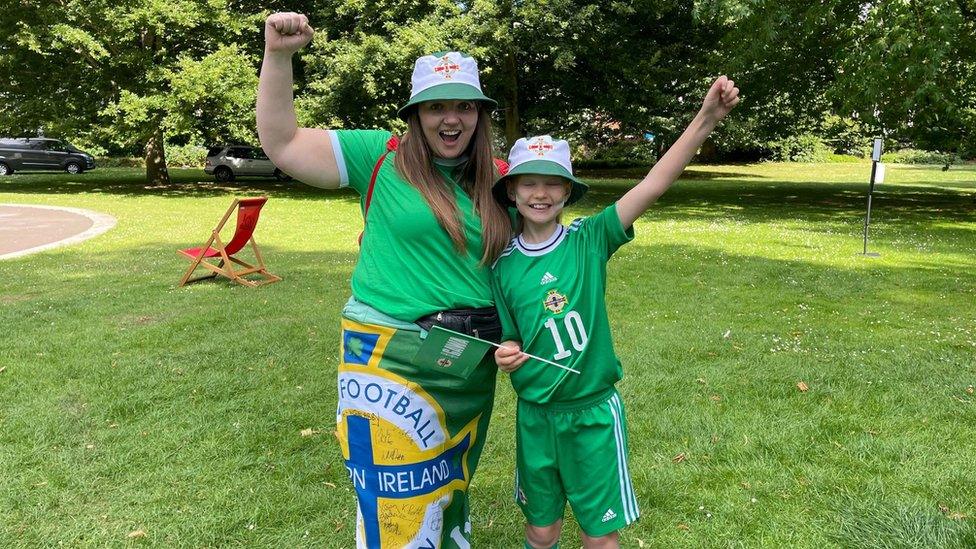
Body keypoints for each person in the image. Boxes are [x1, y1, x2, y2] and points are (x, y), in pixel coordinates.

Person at [256, 12, 512, 548]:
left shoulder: (503, 178)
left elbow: (540, 261)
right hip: (387, 351)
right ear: (416, 115)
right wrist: (279, 58)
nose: (451, 118)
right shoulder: (379, 156)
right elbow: (282, 143)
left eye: (464, 105)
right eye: (436, 106)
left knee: (450, 485)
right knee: (391, 496)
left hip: (468, 358)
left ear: (480, 114)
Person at [491, 77, 740, 549]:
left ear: (567, 193)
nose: (540, 193)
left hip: (591, 415)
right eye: (529, 182)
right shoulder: (502, 267)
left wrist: (705, 119)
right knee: (541, 530)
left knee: (599, 535)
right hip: (536, 416)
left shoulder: (589, 239)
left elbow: (653, 184)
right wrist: (508, 350)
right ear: (512, 192)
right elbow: (511, 335)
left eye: (552, 183)